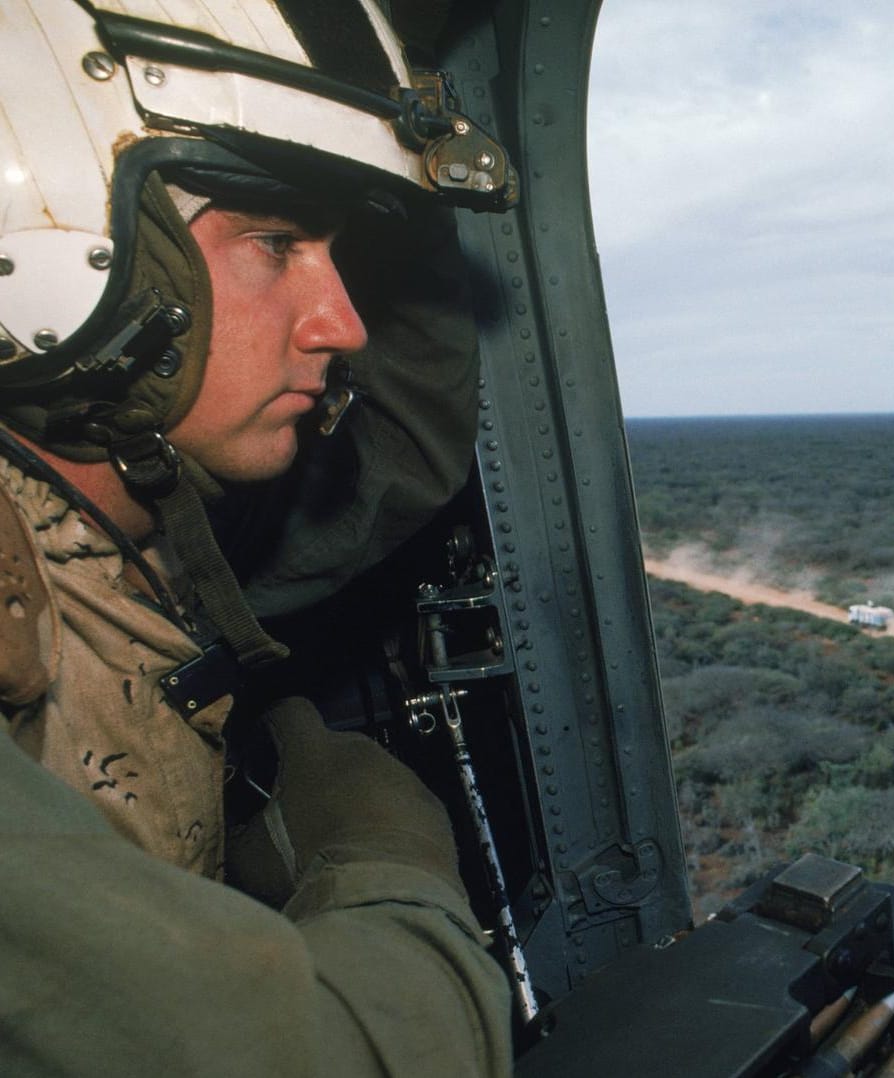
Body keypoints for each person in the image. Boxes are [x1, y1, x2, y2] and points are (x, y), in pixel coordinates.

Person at [0, 1, 518, 1072]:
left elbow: (401, 462)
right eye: (276, 243)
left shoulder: (132, 534)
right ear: (79, 255)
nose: (344, 324)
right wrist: (384, 849)